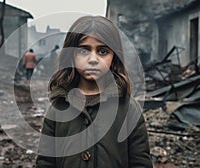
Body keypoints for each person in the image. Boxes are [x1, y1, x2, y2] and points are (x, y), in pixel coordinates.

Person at [36, 16, 152, 168]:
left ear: (114, 57)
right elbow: (45, 162)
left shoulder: (128, 109)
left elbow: (141, 163)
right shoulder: (58, 109)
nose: (93, 59)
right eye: (84, 50)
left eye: (103, 51)